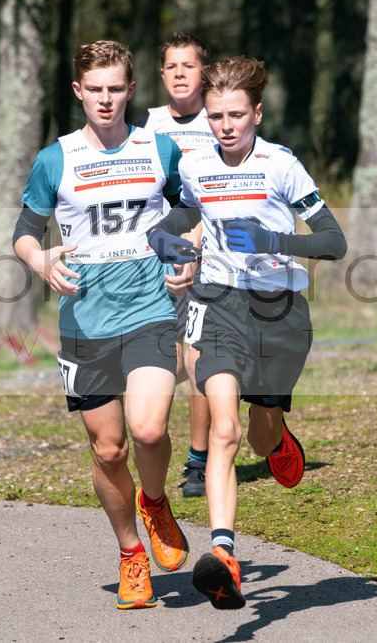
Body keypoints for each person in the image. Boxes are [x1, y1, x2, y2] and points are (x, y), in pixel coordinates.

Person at [146, 56, 347, 609]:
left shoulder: (282, 166)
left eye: (237, 115)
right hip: (217, 304)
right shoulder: (195, 165)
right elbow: (176, 219)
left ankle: (279, 439)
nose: (226, 126)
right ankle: (224, 554)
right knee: (224, 430)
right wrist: (164, 241)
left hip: (279, 312)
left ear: (257, 113)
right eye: (215, 116)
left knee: (259, 435)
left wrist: (270, 241)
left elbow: (333, 242)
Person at [12, 40, 191, 610]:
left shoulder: (159, 149)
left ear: (132, 90)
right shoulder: (55, 159)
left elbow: (191, 208)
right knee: (109, 450)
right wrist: (40, 261)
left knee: (148, 430)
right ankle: (130, 554)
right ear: (78, 92)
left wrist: (182, 249)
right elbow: (24, 228)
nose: (106, 99)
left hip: (150, 306)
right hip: (84, 316)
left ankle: (156, 500)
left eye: (116, 88)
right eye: (95, 90)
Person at [135, 33, 214, 497]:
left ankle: (198, 462)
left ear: (204, 72)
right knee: (168, 358)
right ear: (161, 75)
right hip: (162, 255)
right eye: (172, 66)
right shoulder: (148, 129)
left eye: (189, 65)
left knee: (198, 358)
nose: (180, 73)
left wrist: (195, 247)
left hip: (213, 253)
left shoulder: (221, 120)